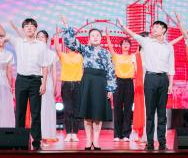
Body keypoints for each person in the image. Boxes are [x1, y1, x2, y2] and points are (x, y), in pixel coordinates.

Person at [0, 9, 49, 151]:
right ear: (23, 29)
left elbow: (45, 66)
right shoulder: (18, 42)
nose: (29, 28)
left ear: (36, 29)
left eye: (32, 26)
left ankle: (36, 141)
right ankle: (19, 140)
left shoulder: (41, 45)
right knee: (20, 112)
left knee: (35, 113)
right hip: (21, 80)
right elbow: (3, 33)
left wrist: (44, 83)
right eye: (27, 26)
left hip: (36, 81)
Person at [118, 18, 174, 151]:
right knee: (150, 112)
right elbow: (133, 35)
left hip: (163, 79)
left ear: (163, 30)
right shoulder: (147, 42)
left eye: (157, 27)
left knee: (162, 113)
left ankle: (162, 142)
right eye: (153, 27)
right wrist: (123, 26)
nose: (154, 29)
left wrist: (171, 84)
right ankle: (149, 142)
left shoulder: (169, 46)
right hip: (150, 78)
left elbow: (171, 66)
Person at [61, 16, 116, 150]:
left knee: (97, 114)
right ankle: (88, 141)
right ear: (89, 38)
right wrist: (67, 25)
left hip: (101, 83)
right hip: (87, 81)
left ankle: (96, 141)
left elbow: (111, 70)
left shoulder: (106, 53)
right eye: (93, 35)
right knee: (87, 114)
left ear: (101, 38)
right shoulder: (85, 49)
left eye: (97, 35)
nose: (95, 37)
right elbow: (70, 42)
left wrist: (110, 88)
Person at [53, 29, 83, 142]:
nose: (71, 46)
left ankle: (74, 133)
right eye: (69, 43)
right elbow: (57, 48)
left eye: (73, 43)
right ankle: (68, 133)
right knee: (68, 110)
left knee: (76, 110)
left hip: (77, 84)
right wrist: (57, 35)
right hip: (66, 85)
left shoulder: (80, 56)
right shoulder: (64, 56)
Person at [106, 32, 136, 142]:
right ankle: (117, 135)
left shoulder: (133, 57)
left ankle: (126, 135)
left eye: (127, 44)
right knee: (117, 109)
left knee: (128, 109)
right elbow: (110, 48)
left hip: (129, 83)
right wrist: (107, 37)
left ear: (130, 46)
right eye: (124, 44)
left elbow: (140, 48)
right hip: (118, 82)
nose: (125, 45)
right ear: (121, 46)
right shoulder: (116, 56)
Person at [37, 30, 59, 143]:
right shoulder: (34, 53)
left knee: (48, 108)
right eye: (38, 37)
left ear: (46, 39)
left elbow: (54, 72)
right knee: (37, 109)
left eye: (42, 37)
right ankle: (38, 134)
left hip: (48, 82)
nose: (40, 39)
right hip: (36, 81)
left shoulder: (52, 54)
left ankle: (49, 134)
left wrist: (55, 86)